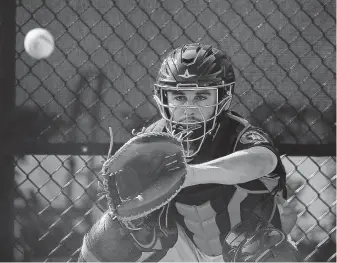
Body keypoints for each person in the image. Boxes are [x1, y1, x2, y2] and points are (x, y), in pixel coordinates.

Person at [78, 43, 299, 262]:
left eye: (201, 97)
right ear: (163, 98)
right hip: (182, 249)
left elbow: (264, 160)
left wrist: (190, 175)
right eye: (179, 97)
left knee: (272, 251)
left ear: (223, 97)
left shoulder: (236, 133)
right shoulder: (154, 141)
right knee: (113, 232)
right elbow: (123, 201)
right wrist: (132, 209)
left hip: (241, 250)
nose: (189, 108)